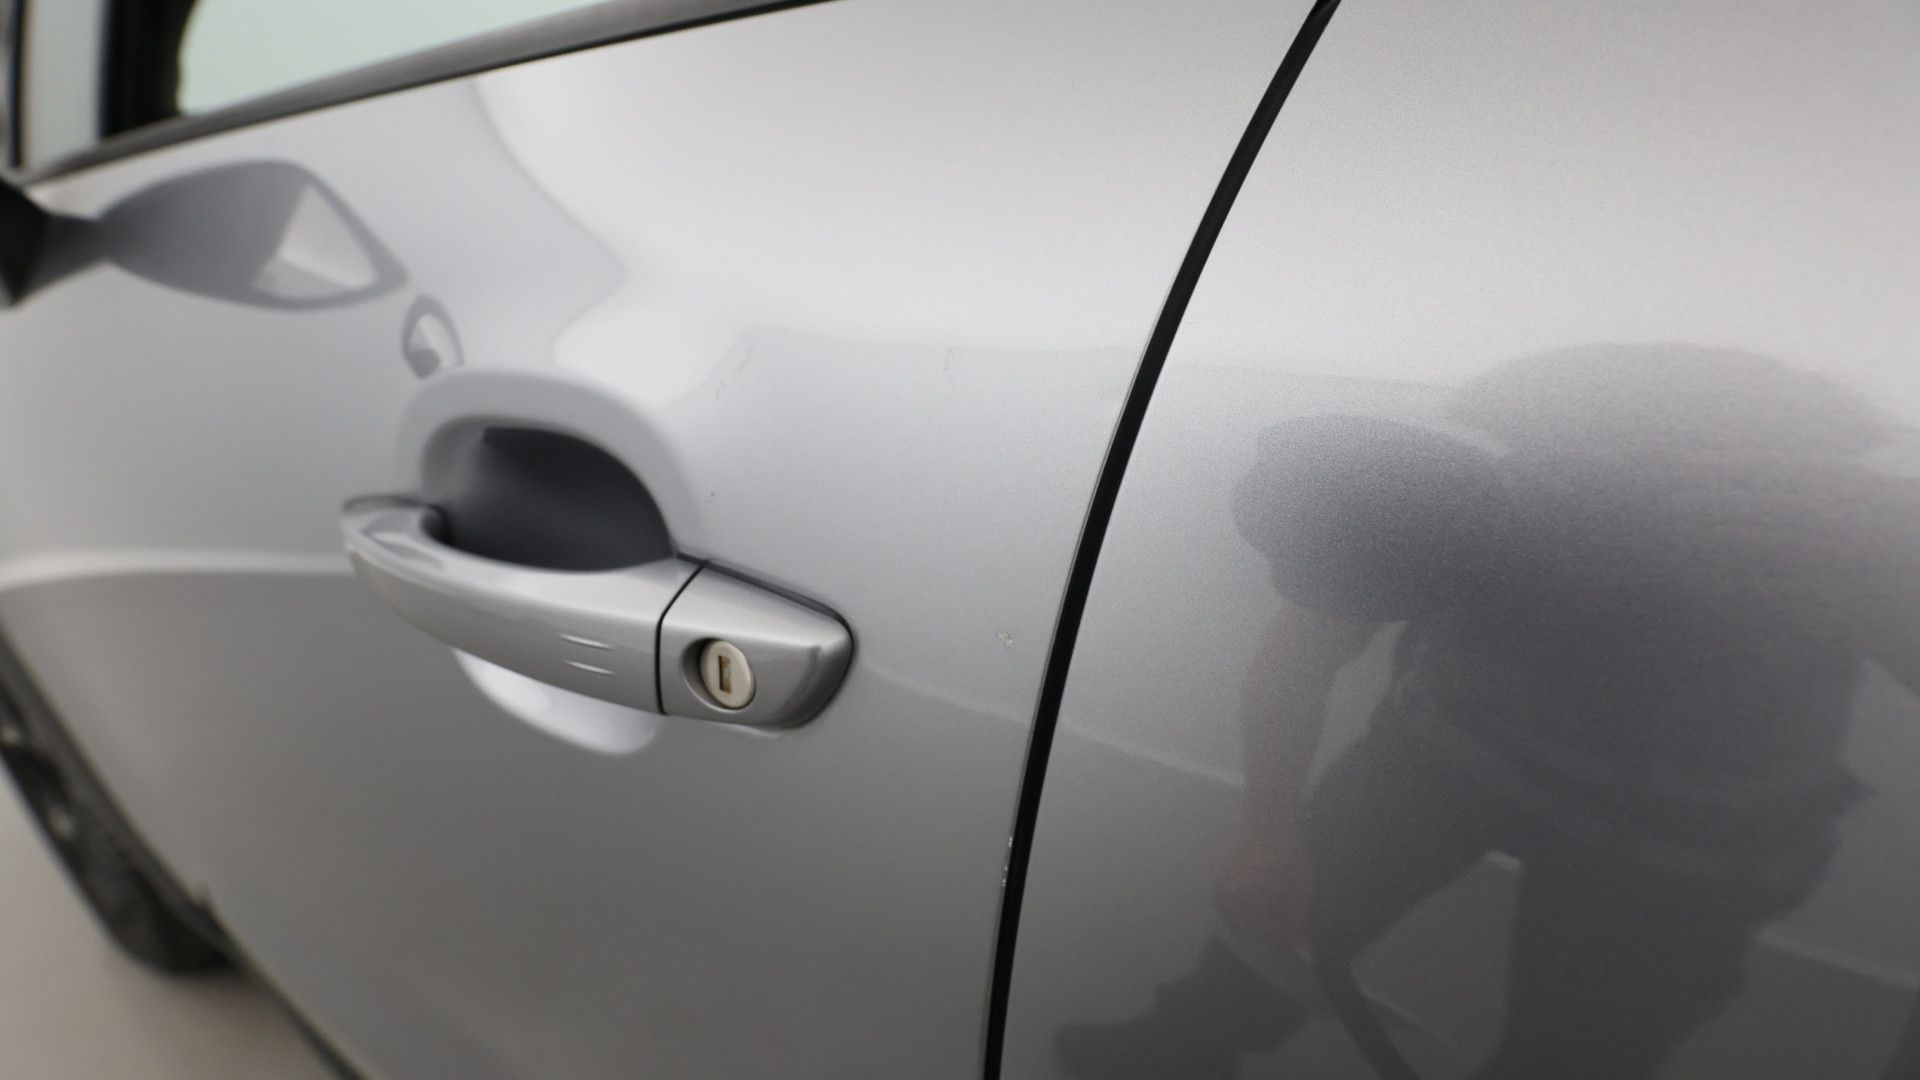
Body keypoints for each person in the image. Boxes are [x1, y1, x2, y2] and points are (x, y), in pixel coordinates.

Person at [1057, 344, 1920, 1079]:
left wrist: (1872, 570)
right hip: (1457, 750)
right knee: (1279, 915)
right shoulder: (1458, 495)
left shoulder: (1834, 534)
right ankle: (1177, 1048)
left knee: (1573, 1057)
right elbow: (1303, 654)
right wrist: (1268, 835)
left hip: (1689, 841)